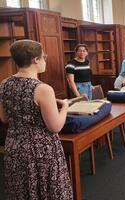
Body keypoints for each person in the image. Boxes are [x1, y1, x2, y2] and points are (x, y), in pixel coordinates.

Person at [0, 40, 73, 199]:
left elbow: (4, 118)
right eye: (44, 57)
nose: (45, 60)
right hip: (40, 151)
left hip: (15, 148)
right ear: (35, 59)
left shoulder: (5, 84)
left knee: (23, 192)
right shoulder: (43, 89)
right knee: (46, 192)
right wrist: (65, 107)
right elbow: (55, 126)